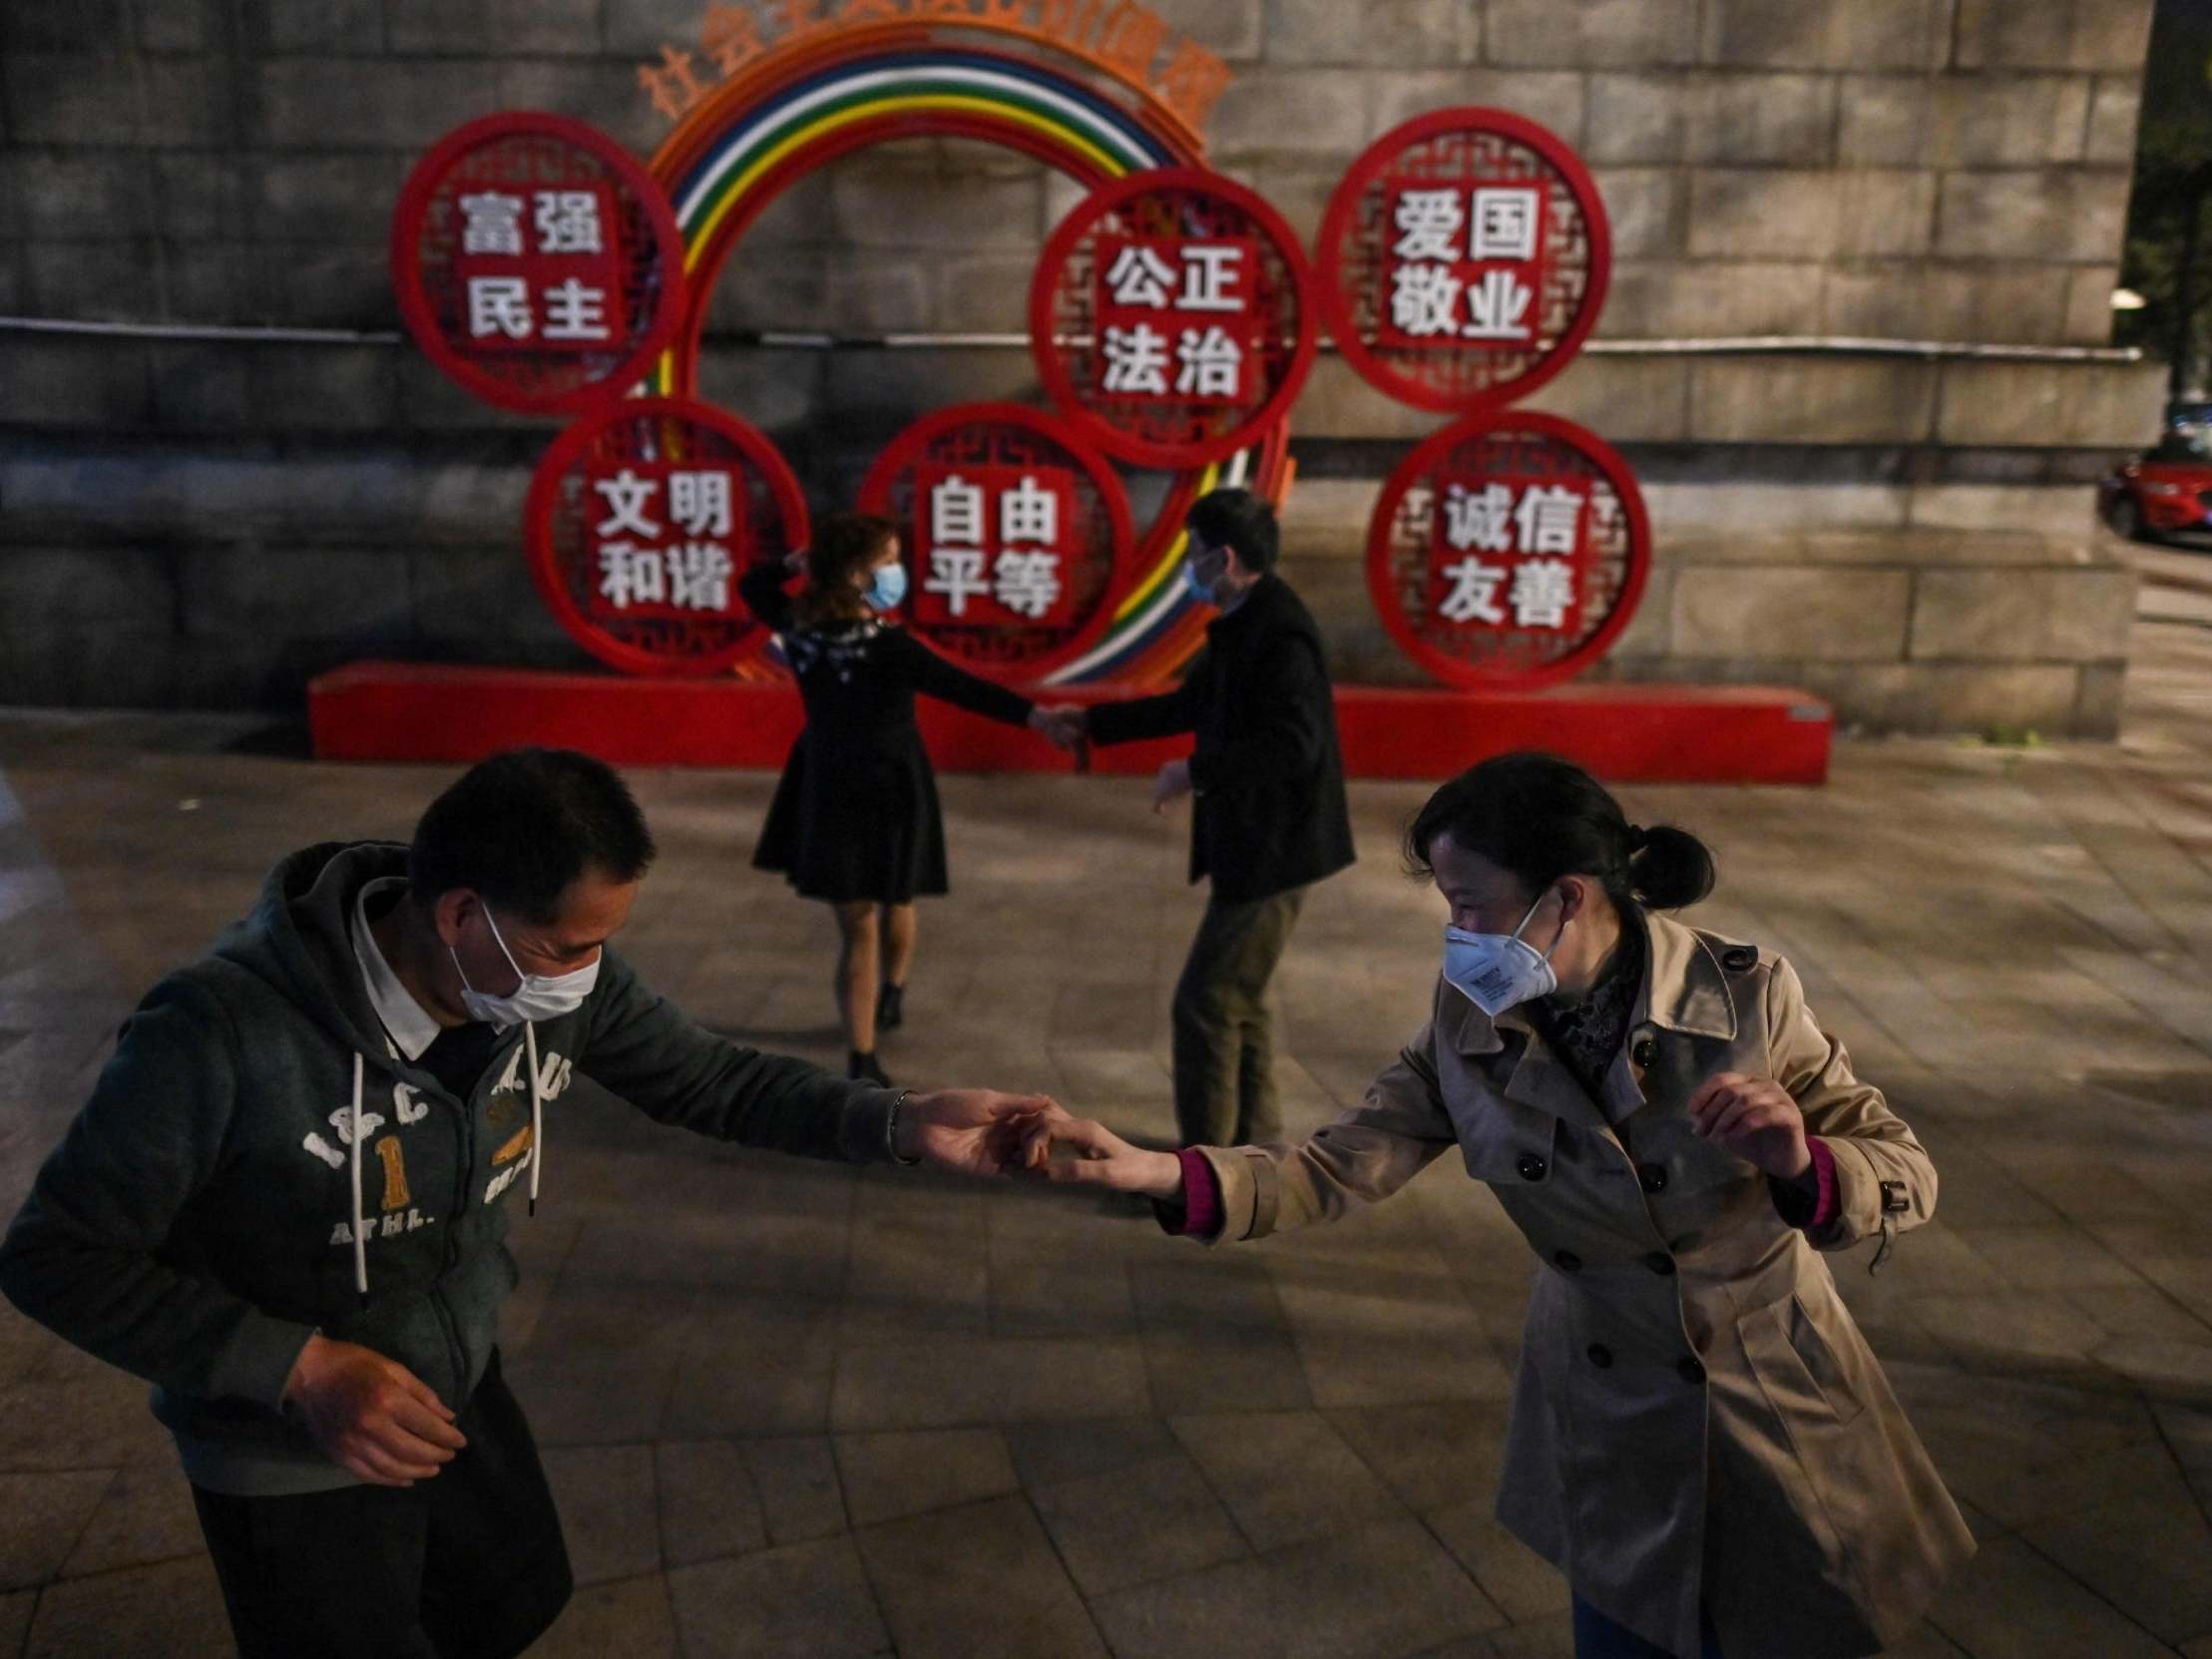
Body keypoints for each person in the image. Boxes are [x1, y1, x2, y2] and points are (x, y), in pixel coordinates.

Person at [0, 747, 1054, 1659]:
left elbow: (715, 1080)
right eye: (565, 949)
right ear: (460, 913)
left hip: (450, 1371)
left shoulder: (536, 979)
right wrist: (297, 1366)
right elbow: (56, 1255)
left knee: (508, 1599)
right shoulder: (218, 1032)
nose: (585, 977)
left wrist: (901, 1121)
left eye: (600, 944)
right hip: (285, 1444)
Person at [1004, 752, 1977, 1659]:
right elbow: (1336, 1162)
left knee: (1790, 1628)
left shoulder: (1747, 999)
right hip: (1606, 1404)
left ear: (1566, 897)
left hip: (1769, 1390)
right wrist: (1155, 1171)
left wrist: (1799, 1157)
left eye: (1470, 905)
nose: (1458, 937)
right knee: (1627, 1629)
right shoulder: (1472, 1021)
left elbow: (1905, 1168)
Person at [1036, 487, 1352, 1148]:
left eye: (1192, 553)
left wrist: (1194, 771)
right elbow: (1189, 706)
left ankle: (1203, 1170)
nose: (1186, 566)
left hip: (1276, 849)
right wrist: (1089, 724)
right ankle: (1252, 1154)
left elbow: (1296, 745)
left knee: (1205, 1003)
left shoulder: (1278, 631)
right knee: (1240, 1001)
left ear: (1225, 557)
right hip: (1258, 844)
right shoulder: (1244, 619)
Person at [742, 512, 1070, 1086]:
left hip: (828, 783)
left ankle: (868, 1035)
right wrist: (1038, 717)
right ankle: (877, 1023)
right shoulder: (891, 646)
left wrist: (791, 565)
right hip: (890, 784)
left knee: (861, 920)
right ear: (857, 574)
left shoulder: (800, 627)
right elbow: (965, 688)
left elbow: (752, 586)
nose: (897, 572)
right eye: (888, 561)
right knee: (890, 900)